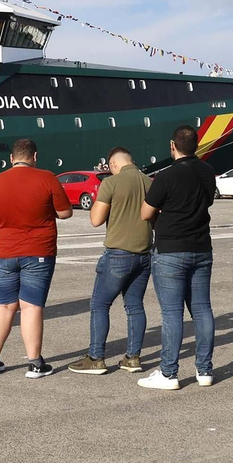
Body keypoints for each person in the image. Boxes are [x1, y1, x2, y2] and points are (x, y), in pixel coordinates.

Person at [0, 138, 71, 377]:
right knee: (30, 306)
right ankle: (35, 363)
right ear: (35, 157)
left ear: (11, 158)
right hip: (39, 251)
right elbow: (65, 212)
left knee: (3, 304)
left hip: (5, 252)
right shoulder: (48, 178)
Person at [138, 125, 219, 390]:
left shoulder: (166, 176)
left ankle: (169, 373)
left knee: (172, 313)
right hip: (201, 247)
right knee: (202, 309)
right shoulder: (208, 172)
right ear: (196, 145)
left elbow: (145, 213)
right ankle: (204, 370)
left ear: (173, 145)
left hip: (171, 249)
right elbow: (207, 202)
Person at [70, 147, 152, 375]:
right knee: (135, 306)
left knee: (100, 304)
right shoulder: (149, 182)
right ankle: (133, 358)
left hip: (118, 253)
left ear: (113, 165)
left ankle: (96, 357)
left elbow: (96, 219)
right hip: (144, 254)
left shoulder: (111, 183)